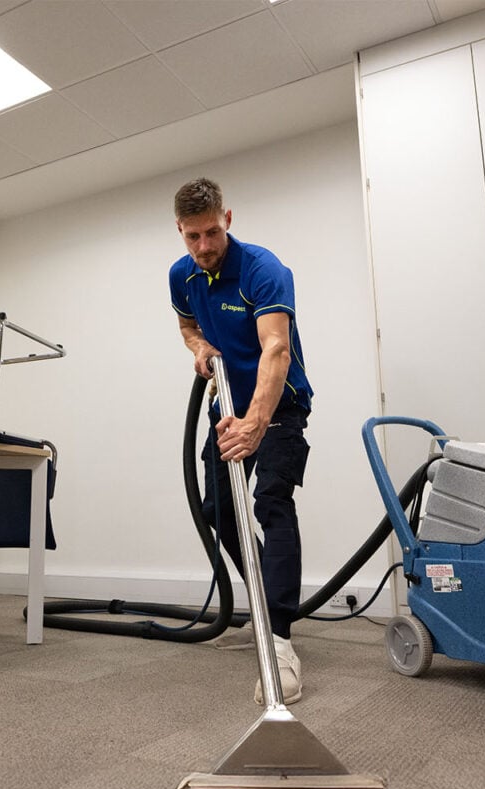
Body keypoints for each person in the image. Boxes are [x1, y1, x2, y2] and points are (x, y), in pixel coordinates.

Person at [168, 177, 313, 704]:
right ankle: (264, 602)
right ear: (180, 231)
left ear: (227, 219)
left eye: (211, 232)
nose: (204, 245)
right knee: (218, 510)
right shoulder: (181, 276)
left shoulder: (262, 270)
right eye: (193, 236)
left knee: (271, 502)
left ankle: (281, 643)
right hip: (226, 407)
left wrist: (255, 423)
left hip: (278, 407)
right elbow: (187, 325)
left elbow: (277, 350)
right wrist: (199, 347)